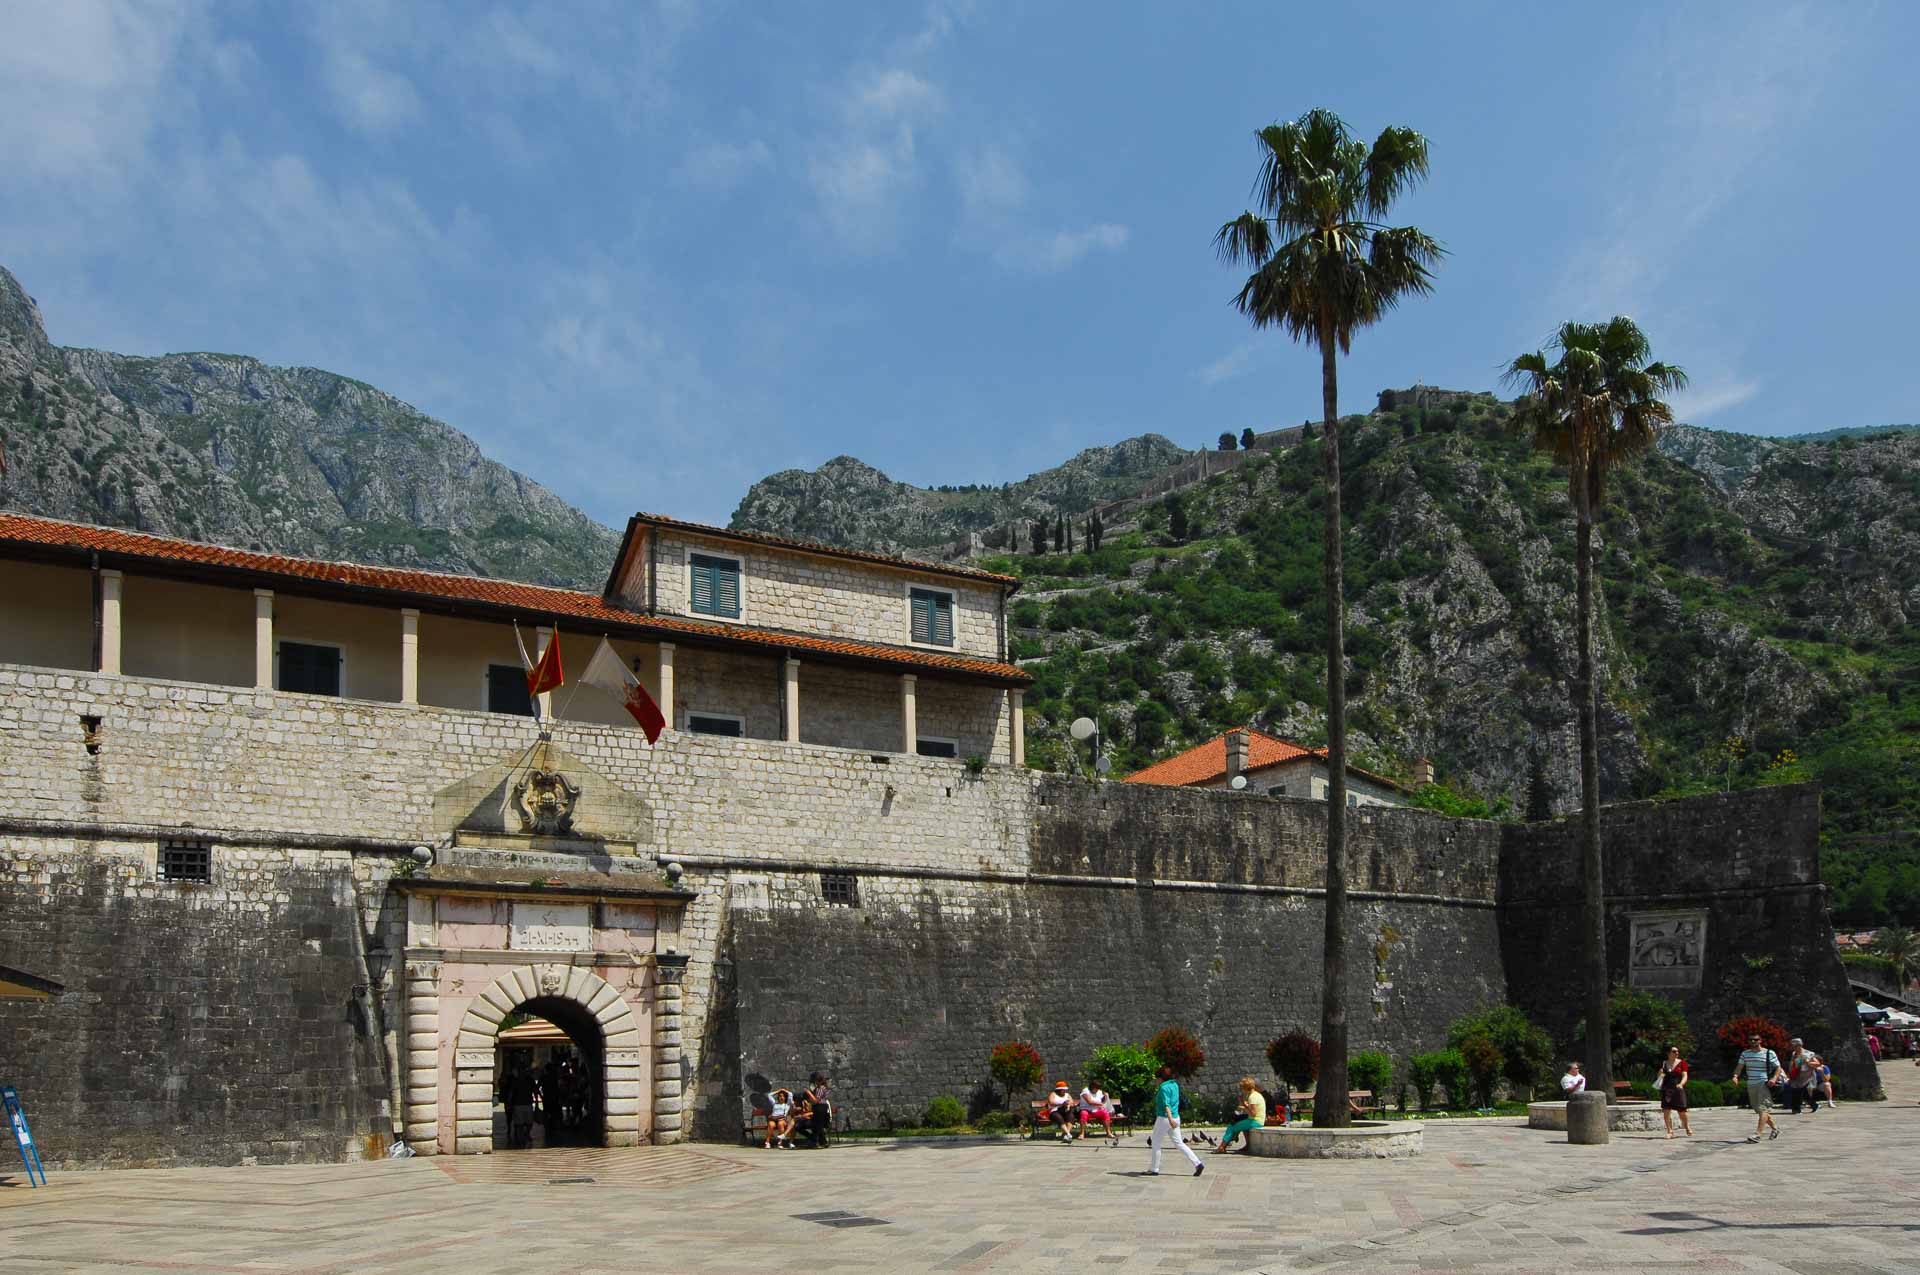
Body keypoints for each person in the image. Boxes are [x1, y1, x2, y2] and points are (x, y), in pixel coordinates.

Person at [1146, 1065, 1203, 1177]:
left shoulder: (1163, 1088)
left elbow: (1166, 1105)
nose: (1156, 1080)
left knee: (1156, 1143)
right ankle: (1198, 1163)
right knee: (1179, 1143)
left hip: (1165, 1118)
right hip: (1176, 1117)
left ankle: (1154, 1169)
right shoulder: (1174, 1084)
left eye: (1156, 1078)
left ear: (1161, 1078)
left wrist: (1170, 1119)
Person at [1729, 1033, 1784, 1143]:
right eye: (1750, 1040)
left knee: (1763, 1108)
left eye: (1755, 1040)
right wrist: (1735, 1076)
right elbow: (1739, 1067)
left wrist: (1774, 1078)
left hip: (1764, 1083)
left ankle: (1758, 1134)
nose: (1753, 1042)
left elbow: (1778, 1068)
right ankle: (1775, 1128)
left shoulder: (1769, 1053)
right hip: (1751, 1083)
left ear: (1760, 1041)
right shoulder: (1745, 1054)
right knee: (1758, 1109)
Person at [1216, 1077, 1266, 1153]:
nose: (1242, 1089)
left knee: (1231, 1127)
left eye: (1242, 1088)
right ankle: (1247, 1145)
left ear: (1245, 1088)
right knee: (1243, 1127)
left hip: (1256, 1121)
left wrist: (1244, 1105)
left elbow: (1253, 1113)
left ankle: (1222, 1147)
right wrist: (1245, 1106)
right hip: (1258, 1120)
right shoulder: (1256, 1094)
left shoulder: (1252, 1097)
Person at [1657, 1045, 1692, 1139]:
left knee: (1682, 1112)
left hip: (1678, 1089)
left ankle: (1687, 1126)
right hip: (1667, 1090)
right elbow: (1660, 1077)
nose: (1677, 1052)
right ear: (1668, 1053)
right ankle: (1670, 1131)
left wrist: (1681, 1084)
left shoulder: (1682, 1063)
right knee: (1666, 1111)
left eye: (1677, 1051)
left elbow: (1685, 1075)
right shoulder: (1664, 1063)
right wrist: (1660, 1073)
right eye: (1674, 1051)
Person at [1786, 1038, 1822, 1114]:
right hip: (1796, 1076)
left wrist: (1808, 1062)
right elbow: (1793, 1064)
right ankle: (1814, 1105)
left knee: (1797, 1092)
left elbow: (1818, 1064)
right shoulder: (1794, 1054)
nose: (1792, 1047)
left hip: (1806, 1077)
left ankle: (1796, 1109)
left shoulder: (1809, 1053)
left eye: (1793, 1046)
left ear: (1799, 1045)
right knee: (1804, 1094)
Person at [802, 1073, 833, 1148]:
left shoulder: (820, 1089)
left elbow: (816, 1100)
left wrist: (808, 1092)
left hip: (820, 1107)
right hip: (822, 1107)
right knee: (818, 1126)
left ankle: (814, 1142)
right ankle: (823, 1142)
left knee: (816, 1126)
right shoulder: (824, 1088)